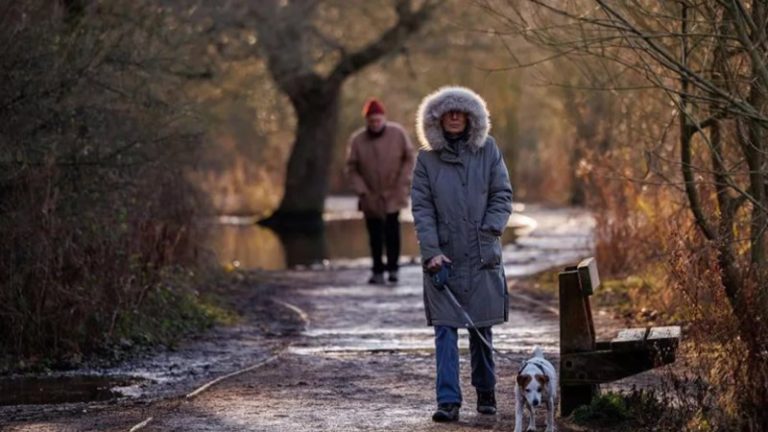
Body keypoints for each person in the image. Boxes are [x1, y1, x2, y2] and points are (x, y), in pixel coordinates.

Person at [411, 86, 513, 422]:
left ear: (471, 118)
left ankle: (486, 393)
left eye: (460, 112)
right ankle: (448, 401)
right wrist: (431, 252)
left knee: (481, 328)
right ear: (437, 119)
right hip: (444, 259)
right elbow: (422, 209)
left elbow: (502, 194)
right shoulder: (426, 160)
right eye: (448, 112)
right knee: (445, 329)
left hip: (482, 254)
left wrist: (491, 230)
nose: (454, 117)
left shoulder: (489, 151)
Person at [346, 98, 415, 285]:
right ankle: (377, 270)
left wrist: (403, 182)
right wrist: (361, 190)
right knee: (374, 234)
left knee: (393, 232)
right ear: (366, 121)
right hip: (370, 194)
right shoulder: (358, 140)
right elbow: (352, 168)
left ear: (383, 118)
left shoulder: (398, 133)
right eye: (371, 121)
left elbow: (409, 158)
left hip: (394, 191)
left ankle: (393, 269)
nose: (375, 124)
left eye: (378, 120)